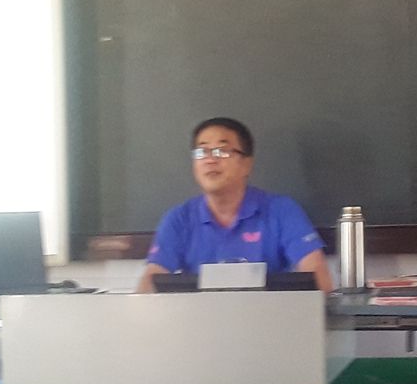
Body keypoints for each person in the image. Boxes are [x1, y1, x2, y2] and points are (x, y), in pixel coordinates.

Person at [136, 117, 333, 293]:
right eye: (202, 151)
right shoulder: (179, 219)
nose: (210, 160)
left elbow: (317, 275)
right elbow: (151, 279)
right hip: (199, 319)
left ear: (246, 164)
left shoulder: (281, 211)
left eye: (222, 151)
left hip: (268, 317)